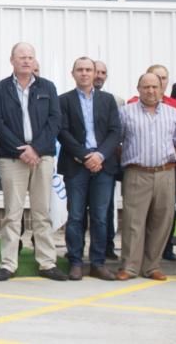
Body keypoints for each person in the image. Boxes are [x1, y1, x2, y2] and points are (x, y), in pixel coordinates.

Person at [0, 43, 66, 281]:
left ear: (35, 61)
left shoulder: (48, 87)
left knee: (42, 213)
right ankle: (8, 264)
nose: (26, 61)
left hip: (42, 157)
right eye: (21, 57)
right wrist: (21, 150)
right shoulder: (0, 89)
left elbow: (55, 121)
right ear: (12, 60)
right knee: (13, 213)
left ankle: (47, 262)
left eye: (30, 57)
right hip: (13, 158)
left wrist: (37, 149)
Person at [57, 57, 121, 281]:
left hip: (103, 166)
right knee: (75, 216)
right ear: (72, 73)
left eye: (88, 70)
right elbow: (62, 132)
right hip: (76, 165)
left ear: (95, 74)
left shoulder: (108, 100)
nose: (84, 73)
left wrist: (99, 155)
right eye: (80, 70)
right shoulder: (63, 100)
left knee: (101, 216)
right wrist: (85, 156)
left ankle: (98, 263)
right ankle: (75, 261)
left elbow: (115, 131)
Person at [116, 73, 176, 281]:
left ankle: (152, 266)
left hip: (165, 173)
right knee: (133, 222)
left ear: (162, 88)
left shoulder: (173, 114)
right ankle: (130, 266)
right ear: (138, 89)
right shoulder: (125, 113)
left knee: (161, 220)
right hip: (137, 172)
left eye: (155, 87)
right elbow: (118, 143)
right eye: (146, 87)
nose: (151, 91)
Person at [93, 59, 123, 261]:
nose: (99, 75)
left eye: (103, 72)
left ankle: (107, 247)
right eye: (96, 71)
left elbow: (117, 133)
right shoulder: (69, 99)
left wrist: (101, 155)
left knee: (106, 209)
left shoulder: (117, 101)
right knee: (79, 210)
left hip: (106, 163)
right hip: (80, 162)